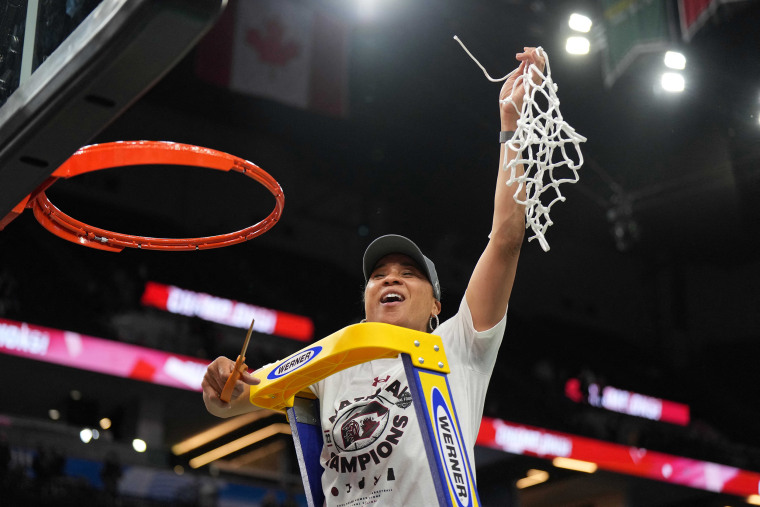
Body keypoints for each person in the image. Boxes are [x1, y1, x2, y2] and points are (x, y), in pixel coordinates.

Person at [202, 47, 545, 505]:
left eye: (408, 274)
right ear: (365, 297)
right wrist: (219, 381)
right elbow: (230, 400)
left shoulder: (459, 345)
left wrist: (512, 125)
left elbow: (505, 238)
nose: (390, 280)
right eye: (379, 275)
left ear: (436, 305)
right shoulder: (330, 363)